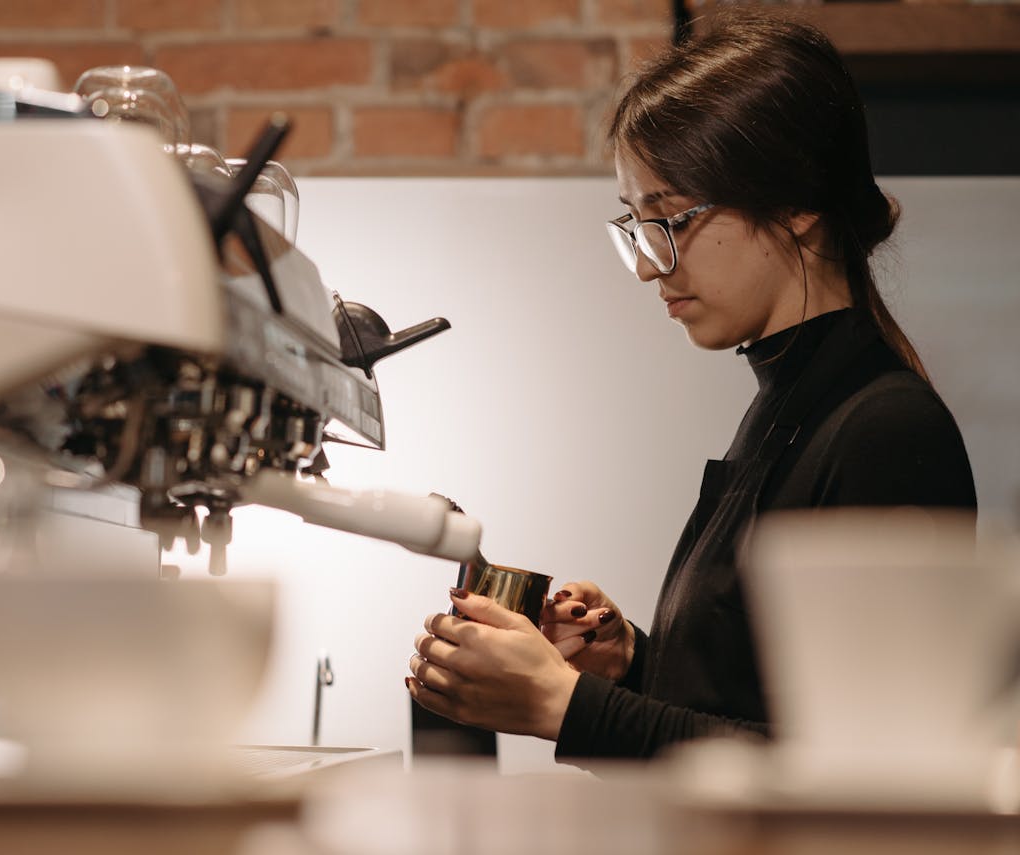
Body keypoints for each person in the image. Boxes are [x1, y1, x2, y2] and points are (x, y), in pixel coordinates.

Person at [406, 13, 977, 758]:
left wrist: (568, 707)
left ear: (798, 202)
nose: (650, 264)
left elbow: (869, 773)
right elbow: (751, 711)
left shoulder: (885, 431)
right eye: (637, 225)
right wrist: (631, 666)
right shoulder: (789, 409)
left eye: (671, 219)